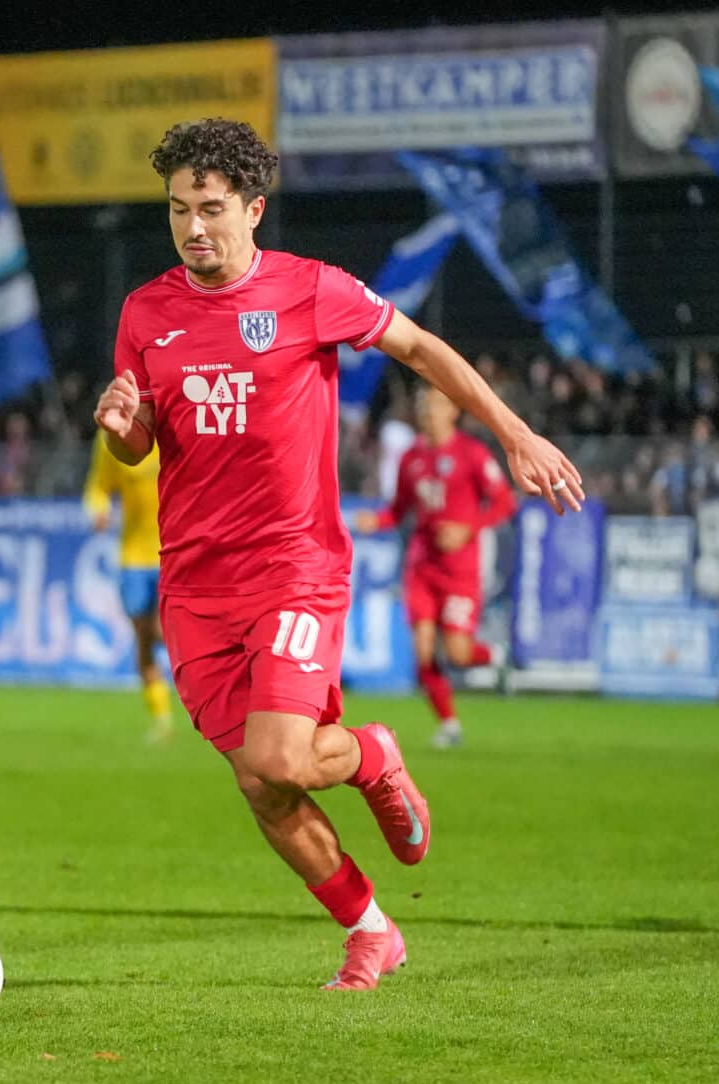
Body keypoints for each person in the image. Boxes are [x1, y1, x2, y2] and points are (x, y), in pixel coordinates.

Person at [94, 119, 582, 990]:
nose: (193, 228)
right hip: (195, 585)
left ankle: (374, 754)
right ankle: (371, 929)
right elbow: (140, 446)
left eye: (210, 209)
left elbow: (421, 348)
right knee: (261, 784)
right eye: (178, 211)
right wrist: (121, 425)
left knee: (284, 756)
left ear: (253, 209)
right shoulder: (145, 313)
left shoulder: (310, 290)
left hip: (294, 567)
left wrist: (514, 433)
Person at [354, 386, 516, 748]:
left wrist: (468, 528)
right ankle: (449, 724)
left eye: (435, 405)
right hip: (421, 567)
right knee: (424, 651)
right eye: (422, 406)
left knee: (458, 653)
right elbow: (399, 511)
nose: (427, 412)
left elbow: (505, 502)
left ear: (453, 411)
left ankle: (497, 657)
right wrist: (375, 522)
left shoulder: (471, 453)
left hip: (460, 570)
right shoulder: (411, 457)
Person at [82, 432, 172, 741]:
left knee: (165, 631)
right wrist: (98, 508)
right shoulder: (112, 435)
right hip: (133, 557)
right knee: (144, 639)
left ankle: (217, 700)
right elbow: (98, 486)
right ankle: (162, 719)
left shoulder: (176, 425)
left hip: (174, 551)